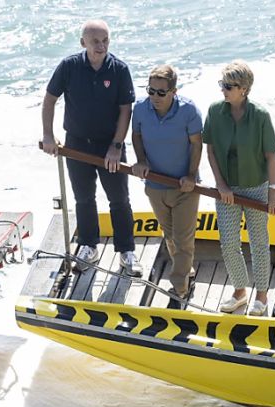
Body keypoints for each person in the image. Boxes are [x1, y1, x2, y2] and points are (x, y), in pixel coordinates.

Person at [41, 19, 142, 276]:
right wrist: (48, 136)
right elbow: (50, 100)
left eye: (105, 40)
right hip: (76, 144)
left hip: (110, 145)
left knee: (119, 199)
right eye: (95, 41)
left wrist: (116, 146)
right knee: (84, 198)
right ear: (83, 42)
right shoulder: (69, 66)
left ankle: (126, 252)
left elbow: (125, 110)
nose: (101, 46)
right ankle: (88, 246)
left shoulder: (119, 69)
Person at [203, 60, 275, 316]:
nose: (223, 89)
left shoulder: (260, 115)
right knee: (228, 242)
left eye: (229, 86)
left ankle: (261, 295)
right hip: (227, 189)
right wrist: (221, 185)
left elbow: (270, 155)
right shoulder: (215, 111)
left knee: (259, 242)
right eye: (222, 84)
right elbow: (210, 150)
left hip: (256, 187)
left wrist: (273, 191)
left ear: (244, 89)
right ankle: (239, 291)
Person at [131, 64, 203, 299]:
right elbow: (137, 135)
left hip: (185, 189)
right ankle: (186, 271)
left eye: (161, 92)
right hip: (155, 186)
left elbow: (196, 143)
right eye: (151, 91)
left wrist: (191, 175)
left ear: (174, 91)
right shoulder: (140, 109)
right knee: (170, 235)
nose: (155, 97)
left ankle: (180, 288)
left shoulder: (189, 110)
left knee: (183, 240)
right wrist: (141, 160)